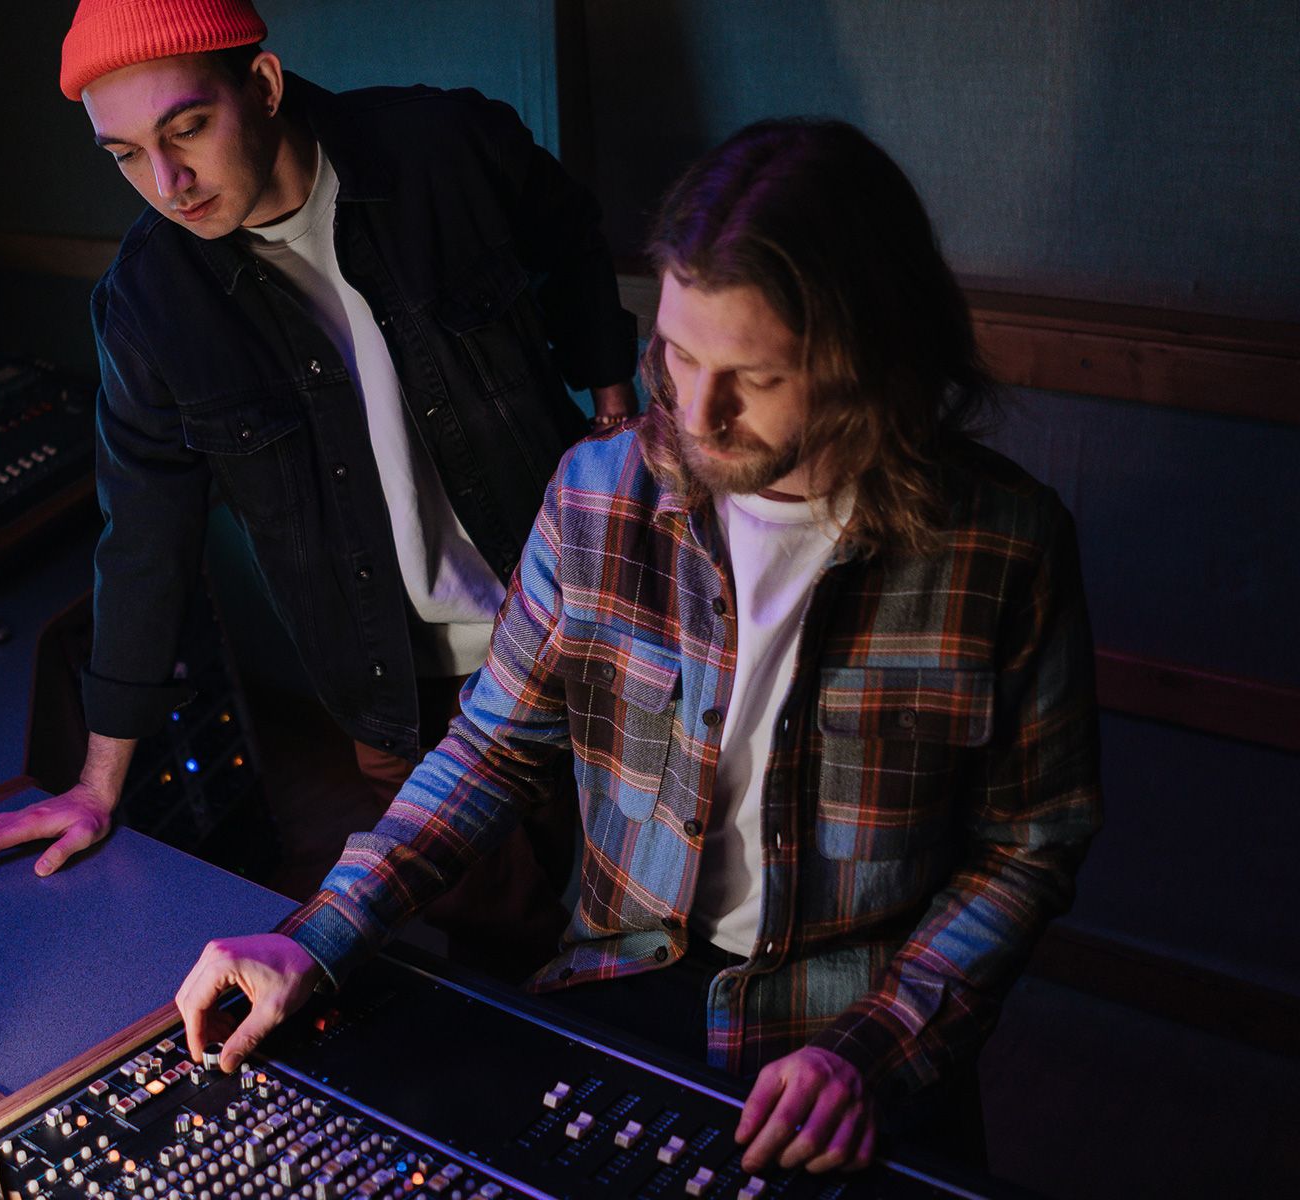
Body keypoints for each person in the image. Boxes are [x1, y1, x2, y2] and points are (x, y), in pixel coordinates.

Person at [175, 118, 1104, 1176]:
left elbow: (1028, 844)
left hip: (848, 1027)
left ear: (868, 361)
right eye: (677, 354)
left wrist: (879, 1048)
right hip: (621, 979)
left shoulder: (1006, 547)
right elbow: (491, 750)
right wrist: (323, 930)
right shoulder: (597, 491)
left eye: (753, 376)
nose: (695, 416)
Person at [0, 0, 636, 978]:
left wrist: (614, 416)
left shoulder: (446, 148)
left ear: (262, 86)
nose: (167, 182)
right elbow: (142, 540)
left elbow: (569, 235)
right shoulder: (149, 304)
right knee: (500, 952)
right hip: (398, 698)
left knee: (645, 923)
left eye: (187, 128)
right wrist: (97, 786)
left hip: (581, 625)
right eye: (127, 156)